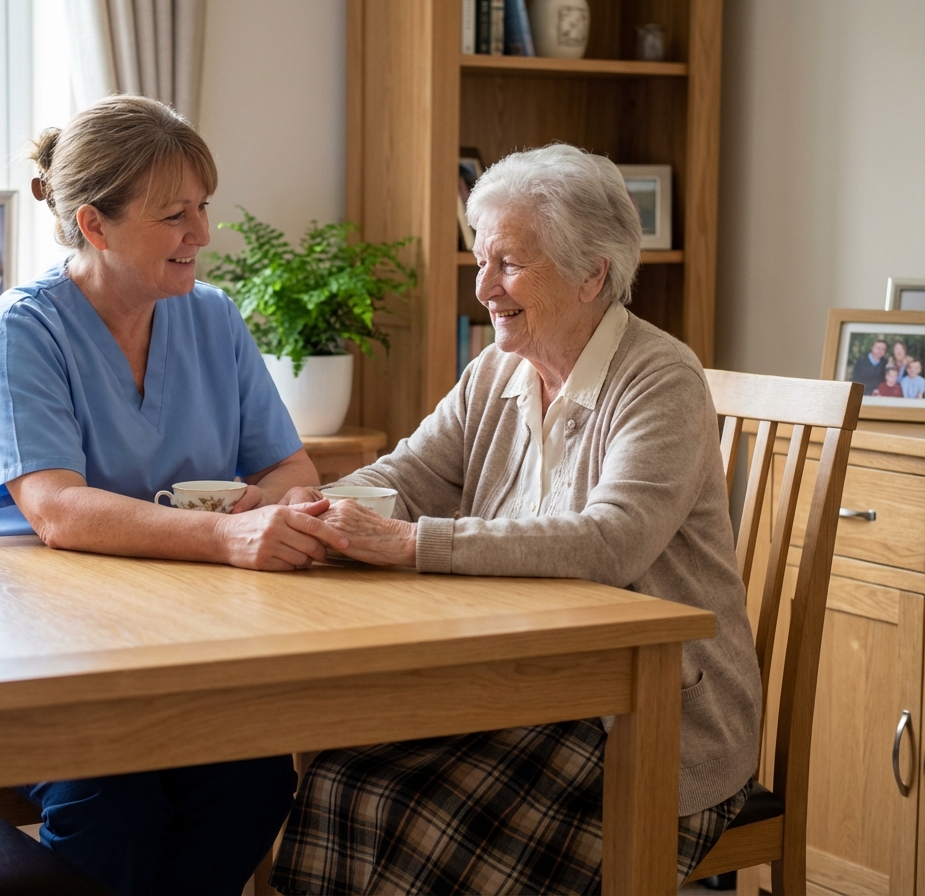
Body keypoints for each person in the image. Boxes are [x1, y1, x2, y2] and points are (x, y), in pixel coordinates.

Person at [271, 144, 762, 894]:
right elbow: (406, 475)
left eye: (509, 263)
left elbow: (611, 540)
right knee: (343, 780)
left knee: (414, 810)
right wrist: (314, 507)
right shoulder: (496, 372)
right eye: (480, 260)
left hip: (650, 718)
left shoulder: (660, 378)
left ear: (591, 272)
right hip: (525, 686)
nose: (484, 287)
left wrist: (407, 544)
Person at [0, 94, 347, 894]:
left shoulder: (214, 319)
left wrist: (279, 508)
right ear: (94, 225)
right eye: (174, 215)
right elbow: (56, 510)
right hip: (26, 648)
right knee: (114, 800)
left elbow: (292, 470)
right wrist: (229, 535)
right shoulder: (22, 330)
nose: (202, 234)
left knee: (254, 782)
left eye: (203, 209)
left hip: (170, 640)